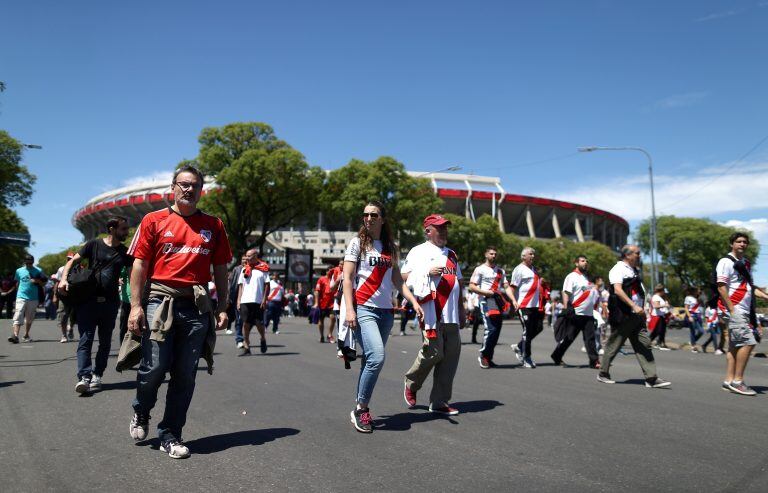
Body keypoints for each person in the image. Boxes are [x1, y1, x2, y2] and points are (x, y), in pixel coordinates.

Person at [126, 164, 231, 459]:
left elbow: (220, 268)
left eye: (195, 185)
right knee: (155, 368)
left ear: (201, 191)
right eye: (183, 184)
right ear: (172, 187)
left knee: (185, 374)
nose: (189, 189)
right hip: (160, 301)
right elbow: (140, 265)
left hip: (196, 306)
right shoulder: (153, 219)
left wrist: (222, 306)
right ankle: (141, 410)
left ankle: (170, 434)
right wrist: (136, 307)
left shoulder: (214, 225)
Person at [341, 201, 422, 433]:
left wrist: (413, 301)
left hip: (386, 312)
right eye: (365, 214)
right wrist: (349, 309)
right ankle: (361, 409)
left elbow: (397, 280)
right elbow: (347, 278)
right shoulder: (357, 243)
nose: (368, 218)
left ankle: (359, 405)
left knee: (369, 360)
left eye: (374, 215)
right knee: (376, 357)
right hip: (364, 308)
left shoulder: (390, 247)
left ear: (382, 219)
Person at [59, 215, 132, 393]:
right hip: (88, 301)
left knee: (105, 342)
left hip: (110, 303)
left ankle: (97, 374)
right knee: (86, 339)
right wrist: (63, 279)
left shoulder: (125, 252)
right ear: (112, 229)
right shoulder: (93, 244)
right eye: (123, 229)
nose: (126, 232)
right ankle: (84, 376)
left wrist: (138, 300)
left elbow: (132, 276)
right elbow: (72, 262)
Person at [402, 214, 464, 415]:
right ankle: (411, 383)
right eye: (440, 228)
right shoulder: (418, 251)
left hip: (452, 314)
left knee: (450, 358)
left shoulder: (452, 254)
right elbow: (403, 278)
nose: (444, 231)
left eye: (446, 227)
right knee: (433, 352)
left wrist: (462, 309)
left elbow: (458, 283)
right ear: (428, 231)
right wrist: (427, 271)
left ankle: (439, 402)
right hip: (431, 311)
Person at [597, 245, 670, 388]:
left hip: (637, 315)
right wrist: (633, 305)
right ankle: (603, 373)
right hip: (624, 314)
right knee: (614, 345)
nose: (639, 256)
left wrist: (642, 307)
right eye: (637, 253)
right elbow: (617, 290)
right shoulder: (618, 269)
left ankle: (651, 378)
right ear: (627, 255)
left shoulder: (633, 270)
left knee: (644, 344)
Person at [716, 232, 768, 396]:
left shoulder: (745, 263)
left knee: (735, 346)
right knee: (749, 341)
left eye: (745, 242)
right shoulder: (726, 262)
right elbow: (721, 286)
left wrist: (765, 297)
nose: (742, 244)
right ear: (732, 244)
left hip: (743, 310)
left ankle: (729, 380)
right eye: (739, 241)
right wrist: (732, 309)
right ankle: (738, 381)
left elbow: (748, 287)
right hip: (733, 309)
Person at [551, 255, 600, 368]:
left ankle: (594, 361)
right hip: (576, 313)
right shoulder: (571, 276)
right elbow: (566, 292)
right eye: (582, 261)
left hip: (588, 313)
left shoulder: (586, 278)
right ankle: (556, 356)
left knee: (590, 338)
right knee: (569, 337)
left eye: (586, 261)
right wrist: (566, 308)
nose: (585, 263)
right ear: (576, 263)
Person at [469, 246, 514, 369]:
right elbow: (472, 286)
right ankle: (483, 355)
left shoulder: (501, 271)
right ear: (486, 254)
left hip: (497, 302)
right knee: (491, 329)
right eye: (491, 253)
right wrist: (485, 293)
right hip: (485, 301)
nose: (493, 256)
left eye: (495, 254)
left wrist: (513, 300)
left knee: (497, 330)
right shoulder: (480, 269)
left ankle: (489, 357)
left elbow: (506, 287)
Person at [509, 247, 544, 368]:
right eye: (530, 254)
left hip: (535, 306)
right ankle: (526, 357)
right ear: (523, 256)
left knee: (539, 328)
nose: (533, 256)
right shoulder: (519, 270)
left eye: (534, 254)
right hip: (523, 306)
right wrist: (513, 301)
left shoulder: (534, 270)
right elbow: (512, 288)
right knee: (527, 331)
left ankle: (519, 346)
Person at [236, 249, 270, 356]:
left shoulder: (263, 268)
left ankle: (263, 338)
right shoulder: (244, 269)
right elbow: (241, 285)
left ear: (255, 256)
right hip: (245, 300)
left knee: (259, 323)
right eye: (246, 256)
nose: (247, 258)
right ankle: (247, 346)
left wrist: (264, 299)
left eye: (249, 256)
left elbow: (267, 285)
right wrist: (238, 300)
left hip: (258, 300)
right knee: (245, 323)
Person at [7, 254, 46, 344]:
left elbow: (44, 283)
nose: (29, 264)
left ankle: (26, 334)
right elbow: (17, 283)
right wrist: (16, 296)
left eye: (31, 263)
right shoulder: (19, 271)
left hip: (33, 298)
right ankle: (15, 335)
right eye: (27, 263)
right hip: (21, 296)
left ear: (33, 262)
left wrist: (37, 281)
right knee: (18, 314)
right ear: (25, 262)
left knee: (29, 318)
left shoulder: (39, 271)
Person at [54, 253, 77, 341]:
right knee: (63, 315)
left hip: (74, 297)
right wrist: (55, 296)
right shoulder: (61, 269)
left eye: (71, 259)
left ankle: (70, 328)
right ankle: (64, 335)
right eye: (68, 259)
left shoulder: (78, 269)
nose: (69, 260)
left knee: (72, 316)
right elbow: (57, 282)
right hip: (63, 296)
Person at [314, 268, 336, 343]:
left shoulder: (335, 279)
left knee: (333, 318)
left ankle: (329, 334)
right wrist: (316, 302)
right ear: (326, 272)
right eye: (329, 271)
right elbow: (317, 291)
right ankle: (321, 336)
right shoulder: (321, 279)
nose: (330, 272)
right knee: (321, 320)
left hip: (332, 303)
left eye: (332, 271)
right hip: (322, 303)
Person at [648, 284, 671, 350]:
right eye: (663, 291)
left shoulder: (659, 297)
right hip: (657, 316)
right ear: (661, 291)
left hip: (661, 315)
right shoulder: (656, 297)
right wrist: (665, 305)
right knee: (658, 330)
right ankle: (650, 342)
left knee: (662, 330)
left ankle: (661, 343)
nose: (664, 293)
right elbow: (656, 306)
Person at [683, 287, 704, 353]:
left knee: (701, 331)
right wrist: (689, 317)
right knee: (693, 331)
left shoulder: (698, 298)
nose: (699, 291)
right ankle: (693, 347)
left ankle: (692, 341)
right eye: (698, 290)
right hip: (691, 316)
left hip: (698, 316)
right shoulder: (688, 298)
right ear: (694, 291)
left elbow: (700, 308)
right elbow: (686, 308)